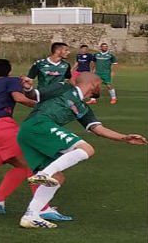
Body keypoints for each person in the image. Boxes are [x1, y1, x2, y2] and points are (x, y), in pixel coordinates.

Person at [17, 73, 147, 229]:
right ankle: (44, 174)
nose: (101, 88)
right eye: (100, 84)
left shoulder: (83, 107)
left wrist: (124, 137)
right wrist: (28, 88)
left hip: (30, 132)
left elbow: (97, 128)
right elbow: (35, 94)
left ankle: (31, 215)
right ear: (94, 83)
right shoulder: (64, 88)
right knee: (87, 149)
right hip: (39, 124)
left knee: (57, 177)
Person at [0, 59, 66, 221]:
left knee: (21, 166)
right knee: (32, 164)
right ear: (9, 71)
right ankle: (42, 208)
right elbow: (19, 98)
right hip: (1, 127)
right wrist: (41, 106)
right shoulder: (10, 81)